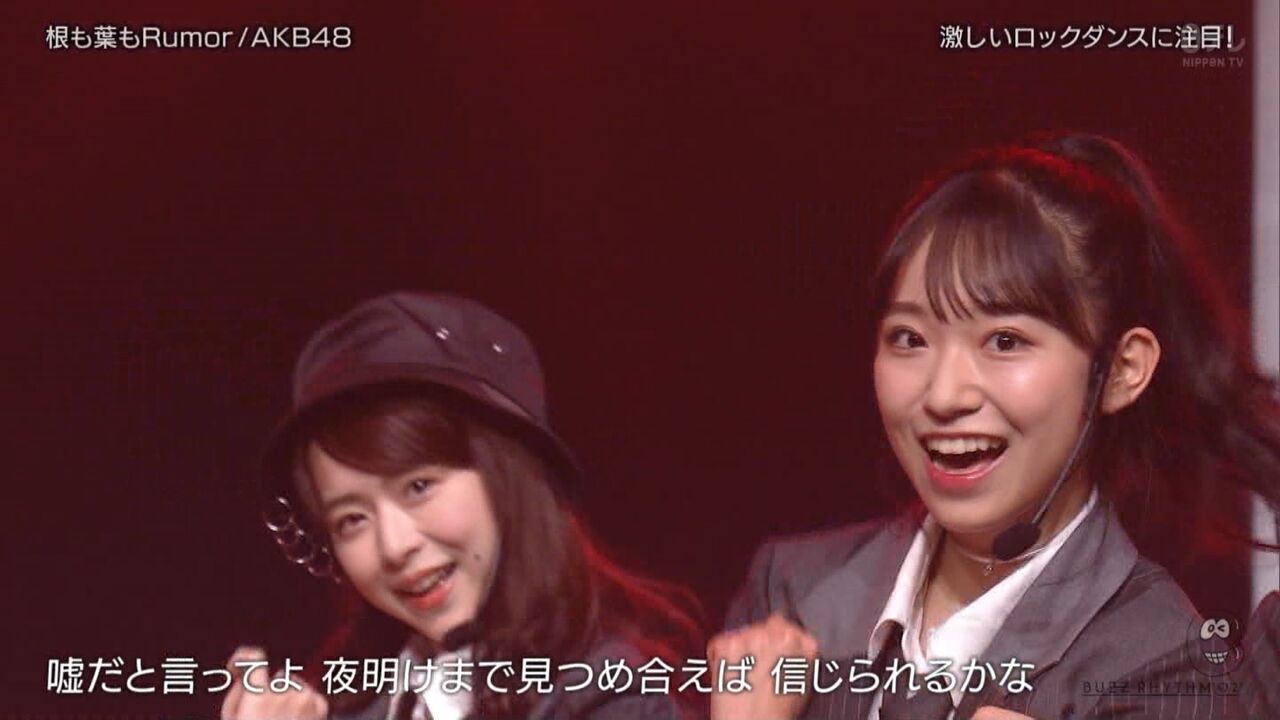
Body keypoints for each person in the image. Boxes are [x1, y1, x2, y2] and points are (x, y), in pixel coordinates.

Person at [708, 133, 1280, 719]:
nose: (944, 395)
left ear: (1120, 370)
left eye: (1005, 341)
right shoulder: (794, 593)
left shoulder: (1163, 667)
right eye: (910, 338)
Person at [220, 292, 701, 720]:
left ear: (505, 476)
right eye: (352, 519)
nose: (394, 546)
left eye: (418, 487)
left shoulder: (610, 696)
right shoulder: (351, 701)